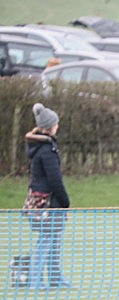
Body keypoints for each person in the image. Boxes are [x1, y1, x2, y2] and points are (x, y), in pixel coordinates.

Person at [23, 103, 70, 289]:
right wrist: (65, 201)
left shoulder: (41, 146)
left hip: (40, 199)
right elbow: (54, 180)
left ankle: (55, 277)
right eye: (56, 123)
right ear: (51, 127)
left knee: (54, 237)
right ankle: (35, 280)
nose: (58, 125)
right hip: (46, 201)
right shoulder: (47, 150)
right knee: (47, 238)